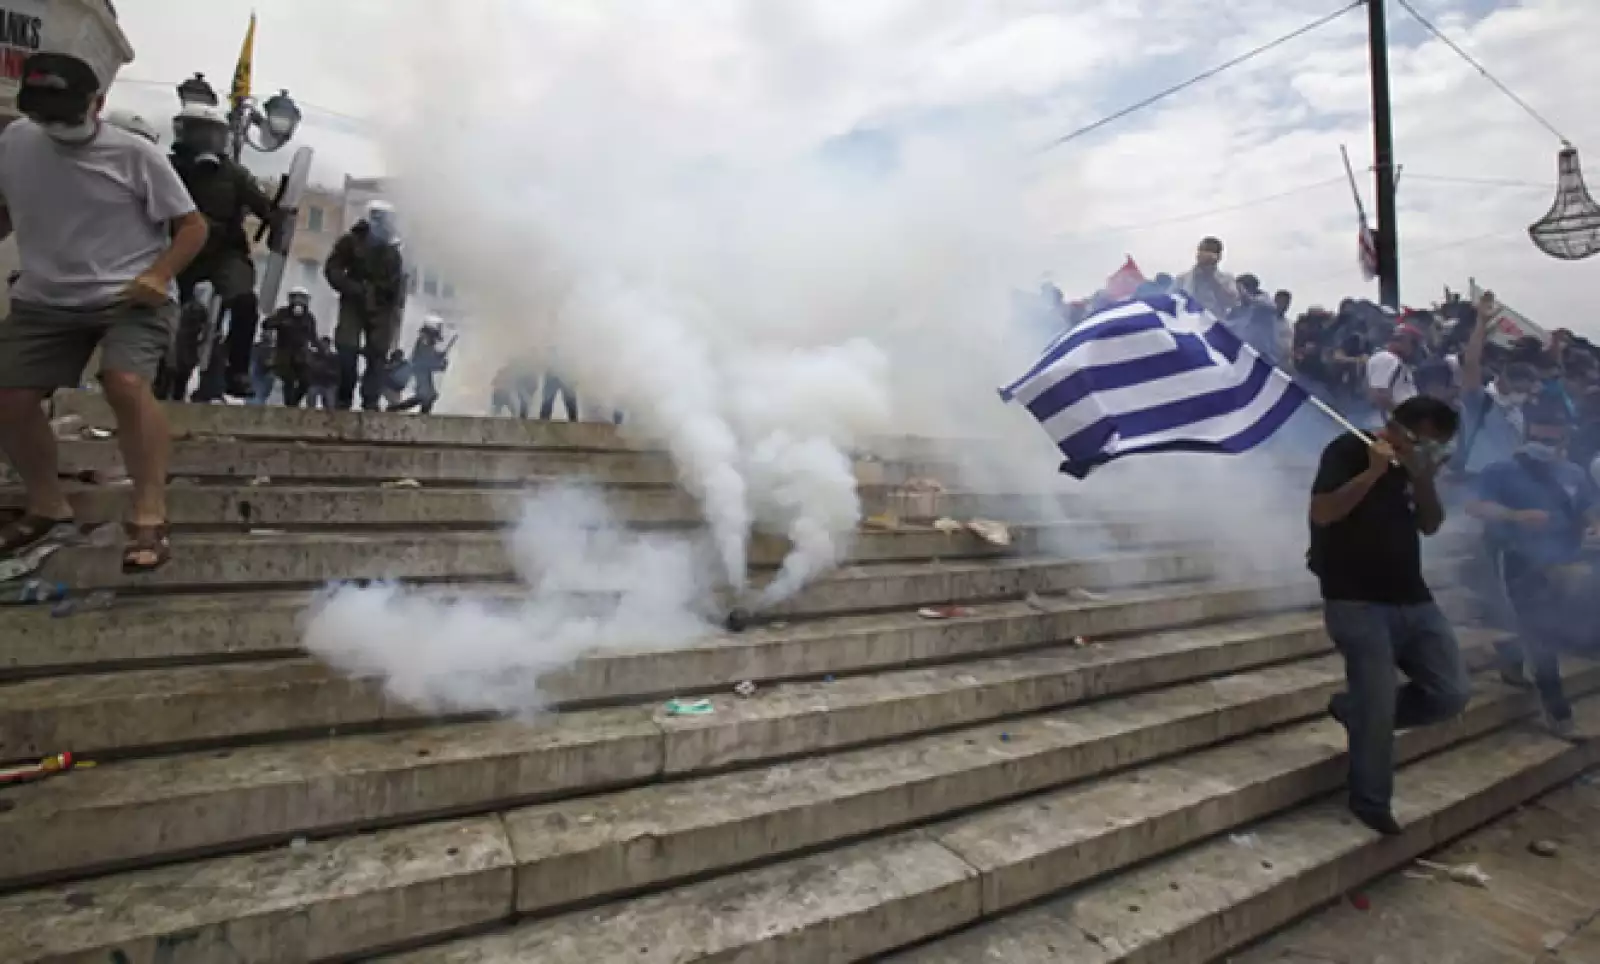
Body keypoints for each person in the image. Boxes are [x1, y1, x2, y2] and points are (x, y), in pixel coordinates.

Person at [0, 52, 209, 571]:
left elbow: (192, 227)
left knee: (124, 382)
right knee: (9, 397)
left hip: (129, 295)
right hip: (45, 297)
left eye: (67, 114)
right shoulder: (14, 142)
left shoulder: (136, 155)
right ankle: (47, 503)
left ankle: (149, 512)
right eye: (44, 114)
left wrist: (158, 276)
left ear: (98, 104)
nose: (55, 125)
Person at [1308, 395, 1469, 835]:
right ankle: (1371, 800)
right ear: (1397, 430)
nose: (1431, 453)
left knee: (1450, 692)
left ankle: (1355, 711)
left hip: (1412, 597)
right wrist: (1373, 472)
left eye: (1439, 448)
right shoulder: (1347, 449)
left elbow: (1430, 524)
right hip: (1355, 599)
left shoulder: (1416, 470)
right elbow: (1323, 512)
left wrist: (1424, 480)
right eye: (1426, 444)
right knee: (1378, 703)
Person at [1466, 398, 1596, 739]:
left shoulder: (1573, 473)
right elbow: (1476, 506)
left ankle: (1509, 657)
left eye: (1553, 441)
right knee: (1543, 632)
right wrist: (1515, 516)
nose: (1546, 446)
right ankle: (1559, 714)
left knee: (1541, 624)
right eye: (1541, 438)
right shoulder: (1501, 470)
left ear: (1565, 439)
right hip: (1518, 559)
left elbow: (1588, 508)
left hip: (1563, 562)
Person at [166, 103, 282, 401]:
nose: (205, 142)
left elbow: (263, 207)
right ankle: (165, 372)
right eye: (198, 133)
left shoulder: (235, 175)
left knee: (244, 302)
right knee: (165, 308)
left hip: (224, 251)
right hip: (177, 249)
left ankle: (237, 370)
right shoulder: (166, 168)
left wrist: (277, 216)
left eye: (212, 134)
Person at [324, 201, 407, 411]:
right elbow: (333, 269)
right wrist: (350, 287)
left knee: (377, 355)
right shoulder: (351, 242)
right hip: (354, 301)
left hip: (381, 306)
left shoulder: (393, 250)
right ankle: (344, 396)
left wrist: (394, 309)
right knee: (346, 347)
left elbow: (398, 284)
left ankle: (370, 400)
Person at [263, 287, 319, 407]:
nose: (299, 301)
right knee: (288, 380)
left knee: (306, 381)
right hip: (284, 353)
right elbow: (267, 324)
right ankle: (290, 405)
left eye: (302, 298)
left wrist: (319, 351)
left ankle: (293, 402)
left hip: (301, 354)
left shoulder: (309, 317)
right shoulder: (282, 313)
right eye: (296, 297)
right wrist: (279, 322)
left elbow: (313, 336)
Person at [1364, 322, 1424, 424]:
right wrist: (1405, 418)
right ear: (1403, 341)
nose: (1415, 348)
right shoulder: (1387, 358)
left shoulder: (1398, 362)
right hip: (1386, 425)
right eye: (1414, 343)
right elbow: (1378, 394)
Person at [390, 318, 450, 414]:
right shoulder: (423, 342)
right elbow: (426, 360)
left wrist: (439, 357)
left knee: (427, 396)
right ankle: (396, 409)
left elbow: (431, 356)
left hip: (422, 372)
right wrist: (439, 364)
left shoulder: (426, 342)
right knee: (426, 395)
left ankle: (398, 409)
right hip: (419, 371)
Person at [1174, 236, 1238, 319]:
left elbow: (1231, 302)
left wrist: (1212, 279)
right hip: (1189, 322)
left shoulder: (1226, 279)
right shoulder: (1183, 278)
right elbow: (1170, 299)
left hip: (1213, 325)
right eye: (1202, 250)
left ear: (1219, 256)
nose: (1205, 254)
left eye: (1210, 251)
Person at [306, 336, 341, 411]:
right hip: (317, 383)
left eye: (325, 344)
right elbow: (312, 367)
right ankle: (310, 413)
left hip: (329, 384)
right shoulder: (315, 356)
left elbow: (336, 371)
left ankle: (331, 416)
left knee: (330, 399)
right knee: (312, 393)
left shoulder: (334, 357)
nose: (324, 346)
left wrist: (324, 369)